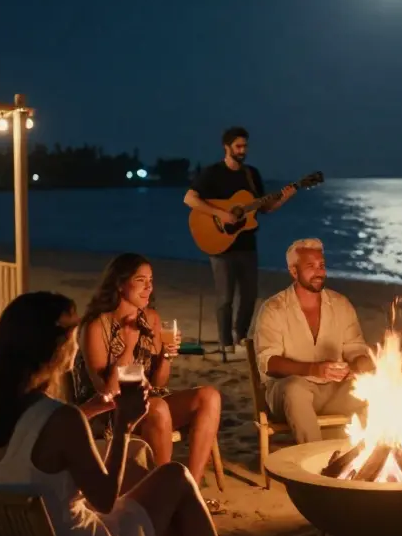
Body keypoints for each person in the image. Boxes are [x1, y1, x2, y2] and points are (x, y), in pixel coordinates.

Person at [0, 292, 282, 536]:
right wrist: (123, 426)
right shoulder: (59, 419)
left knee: (151, 478)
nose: (76, 344)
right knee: (175, 477)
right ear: (55, 347)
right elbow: (104, 498)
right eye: (72, 334)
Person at [68, 254, 224, 509]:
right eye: (141, 280)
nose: (149, 287)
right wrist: (127, 347)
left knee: (209, 396)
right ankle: (166, 495)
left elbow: (159, 381)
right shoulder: (96, 326)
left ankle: (190, 495)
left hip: (147, 403)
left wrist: (166, 357)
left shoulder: (151, 318)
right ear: (120, 284)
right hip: (109, 412)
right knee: (158, 407)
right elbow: (106, 392)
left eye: (150, 280)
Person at [183, 127, 295, 354]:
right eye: (238, 147)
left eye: (245, 146)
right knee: (225, 297)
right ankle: (225, 343)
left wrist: (284, 197)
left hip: (247, 245)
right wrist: (221, 214)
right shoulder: (213, 173)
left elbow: (265, 208)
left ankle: (241, 337)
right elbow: (189, 198)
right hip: (220, 245)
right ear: (227, 147)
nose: (243, 151)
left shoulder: (251, 175)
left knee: (250, 295)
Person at [253, 239, 374, 444]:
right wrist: (314, 369)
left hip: (333, 391)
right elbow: (269, 363)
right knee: (295, 389)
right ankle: (313, 461)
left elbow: (356, 349)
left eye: (322, 266)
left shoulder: (341, 305)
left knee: (373, 389)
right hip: (288, 394)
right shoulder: (274, 309)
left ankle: (364, 457)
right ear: (293, 271)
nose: (319, 272)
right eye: (310, 266)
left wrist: (360, 364)